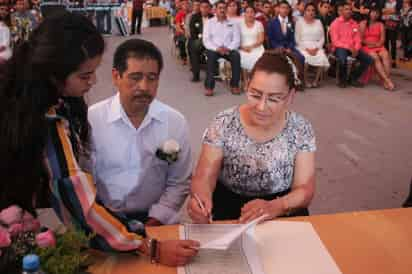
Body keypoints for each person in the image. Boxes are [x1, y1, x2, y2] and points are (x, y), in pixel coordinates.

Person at [0, 12, 199, 267]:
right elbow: (76, 198)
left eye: (152, 77)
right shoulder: (49, 116)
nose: (94, 82)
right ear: (54, 74)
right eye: (85, 76)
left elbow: (179, 181)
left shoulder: (58, 105)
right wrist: (148, 246)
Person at [188, 51, 316, 223]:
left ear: (290, 96)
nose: (262, 107)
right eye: (255, 95)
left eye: (274, 99)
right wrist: (201, 199)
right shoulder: (224, 122)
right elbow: (204, 176)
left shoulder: (300, 128)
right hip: (230, 211)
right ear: (247, 84)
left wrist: (276, 206)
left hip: (283, 209)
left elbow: (305, 189)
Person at [88, 39, 193, 228]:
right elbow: (83, 181)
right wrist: (105, 222)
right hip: (101, 220)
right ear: (116, 76)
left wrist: (155, 220)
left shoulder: (174, 123)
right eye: (135, 77)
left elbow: (178, 181)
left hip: (157, 219)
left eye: (152, 78)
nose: (144, 87)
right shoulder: (92, 120)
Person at [203, 0, 241, 96]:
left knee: (236, 56)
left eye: (224, 8)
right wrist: (217, 49)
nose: (222, 10)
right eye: (220, 8)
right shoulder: (209, 23)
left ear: (226, 9)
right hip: (214, 49)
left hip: (228, 49)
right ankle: (209, 87)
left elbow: (237, 39)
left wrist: (228, 48)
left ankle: (234, 85)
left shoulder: (233, 23)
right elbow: (206, 40)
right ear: (215, 10)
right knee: (210, 57)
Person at [330, 2, 373, 88]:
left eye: (350, 9)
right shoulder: (335, 23)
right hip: (340, 47)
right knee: (342, 59)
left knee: (368, 60)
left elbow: (358, 39)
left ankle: (353, 78)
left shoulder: (354, 23)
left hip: (353, 48)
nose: (349, 11)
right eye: (346, 9)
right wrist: (349, 47)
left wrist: (356, 49)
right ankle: (343, 80)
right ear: (342, 11)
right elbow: (335, 41)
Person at [360, 7, 395, 90]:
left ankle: (385, 80)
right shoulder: (363, 23)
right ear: (369, 13)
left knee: (386, 55)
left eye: (377, 13)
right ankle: (387, 80)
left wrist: (376, 45)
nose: (375, 15)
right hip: (366, 46)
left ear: (379, 15)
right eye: (373, 12)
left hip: (378, 45)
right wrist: (370, 44)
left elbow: (382, 39)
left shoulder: (381, 25)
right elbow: (361, 39)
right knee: (375, 57)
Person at [295, 3, 329, 88]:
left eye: (313, 10)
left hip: (316, 46)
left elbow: (322, 38)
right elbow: (297, 39)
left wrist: (317, 48)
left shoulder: (318, 22)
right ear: (305, 12)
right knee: (305, 59)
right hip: (303, 46)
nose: (311, 12)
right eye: (308, 10)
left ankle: (315, 81)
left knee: (321, 57)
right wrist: (307, 49)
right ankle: (305, 80)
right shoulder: (299, 22)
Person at [267, 1, 305, 66]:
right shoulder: (272, 22)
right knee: (281, 62)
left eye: (287, 8)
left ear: (289, 10)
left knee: (301, 58)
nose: (285, 10)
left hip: (289, 48)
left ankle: (296, 75)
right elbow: (271, 39)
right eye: (283, 8)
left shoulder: (291, 22)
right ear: (279, 9)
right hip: (277, 49)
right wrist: (278, 47)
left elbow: (293, 39)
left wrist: (289, 48)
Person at [239, 6, 265, 89]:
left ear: (255, 14)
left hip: (256, 46)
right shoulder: (240, 24)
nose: (250, 14)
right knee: (242, 56)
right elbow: (236, 39)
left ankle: (254, 81)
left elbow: (261, 39)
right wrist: (242, 47)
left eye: (252, 12)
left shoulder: (259, 24)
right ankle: (246, 80)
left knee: (258, 56)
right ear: (244, 14)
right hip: (242, 46)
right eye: (247, 12)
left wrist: (251, 46)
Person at [188, 0, 213, 82]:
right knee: (193, 46)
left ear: (209, 8)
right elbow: (192, 32)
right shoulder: (194, 17)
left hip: (211, 41)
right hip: (198, 40)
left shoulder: (213, 17)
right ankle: (196, 74)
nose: (204, 9)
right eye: (203, 7)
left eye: (206, 7)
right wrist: (201, 39)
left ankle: (213, 72)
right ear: (200, 8)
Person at [382, 0, 402, 68]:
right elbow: (382, 10)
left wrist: (387, 11)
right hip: (385, 24)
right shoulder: (385, 1)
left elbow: (396, 11)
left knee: (393, 43)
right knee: (385, 42)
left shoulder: (398, 1)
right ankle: (386, 59)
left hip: (394, 24)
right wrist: (390, 11)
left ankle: (393, 61)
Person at [174, 0, 189, 65]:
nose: (185, 6)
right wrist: (183, 32)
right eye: (184, 4)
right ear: (181, 6)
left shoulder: (191, 13)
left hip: (190, 32)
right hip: (182, 32)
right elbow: (178, 26)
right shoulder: (179, 14)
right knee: (181, 40)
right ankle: (184, 57)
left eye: (187, 4)